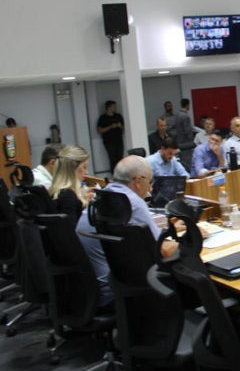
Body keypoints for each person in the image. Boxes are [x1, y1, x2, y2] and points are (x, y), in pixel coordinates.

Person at [76, 156, 209, 309]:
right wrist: (192, 238)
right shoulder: (132, 202)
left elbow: (130, 234)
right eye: (149, 182)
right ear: (138, 181)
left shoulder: (106, 196)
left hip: (100, 289)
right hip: (120, 294)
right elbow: (164, 250)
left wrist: (166, 230)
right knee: (197, 283)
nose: (150, 188)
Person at [49, 145, 91, 227]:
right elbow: (71, 229)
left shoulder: (56, 191)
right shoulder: (68, 194)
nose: (87, 172)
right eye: (84, 167)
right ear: (73, 168)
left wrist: (84, 201)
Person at [96, 100, 125, 172]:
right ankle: (114, 173)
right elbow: (99, 130)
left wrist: (120, 126)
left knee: (120, 159)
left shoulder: (118, 116)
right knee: (112, 159)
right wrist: (110, 127)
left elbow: (124, 128)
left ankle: (121, 173)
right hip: (109, 142)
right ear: (109, 107)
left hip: (119, 141)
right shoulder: (103, 118)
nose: (115, 108)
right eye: (113, 106)